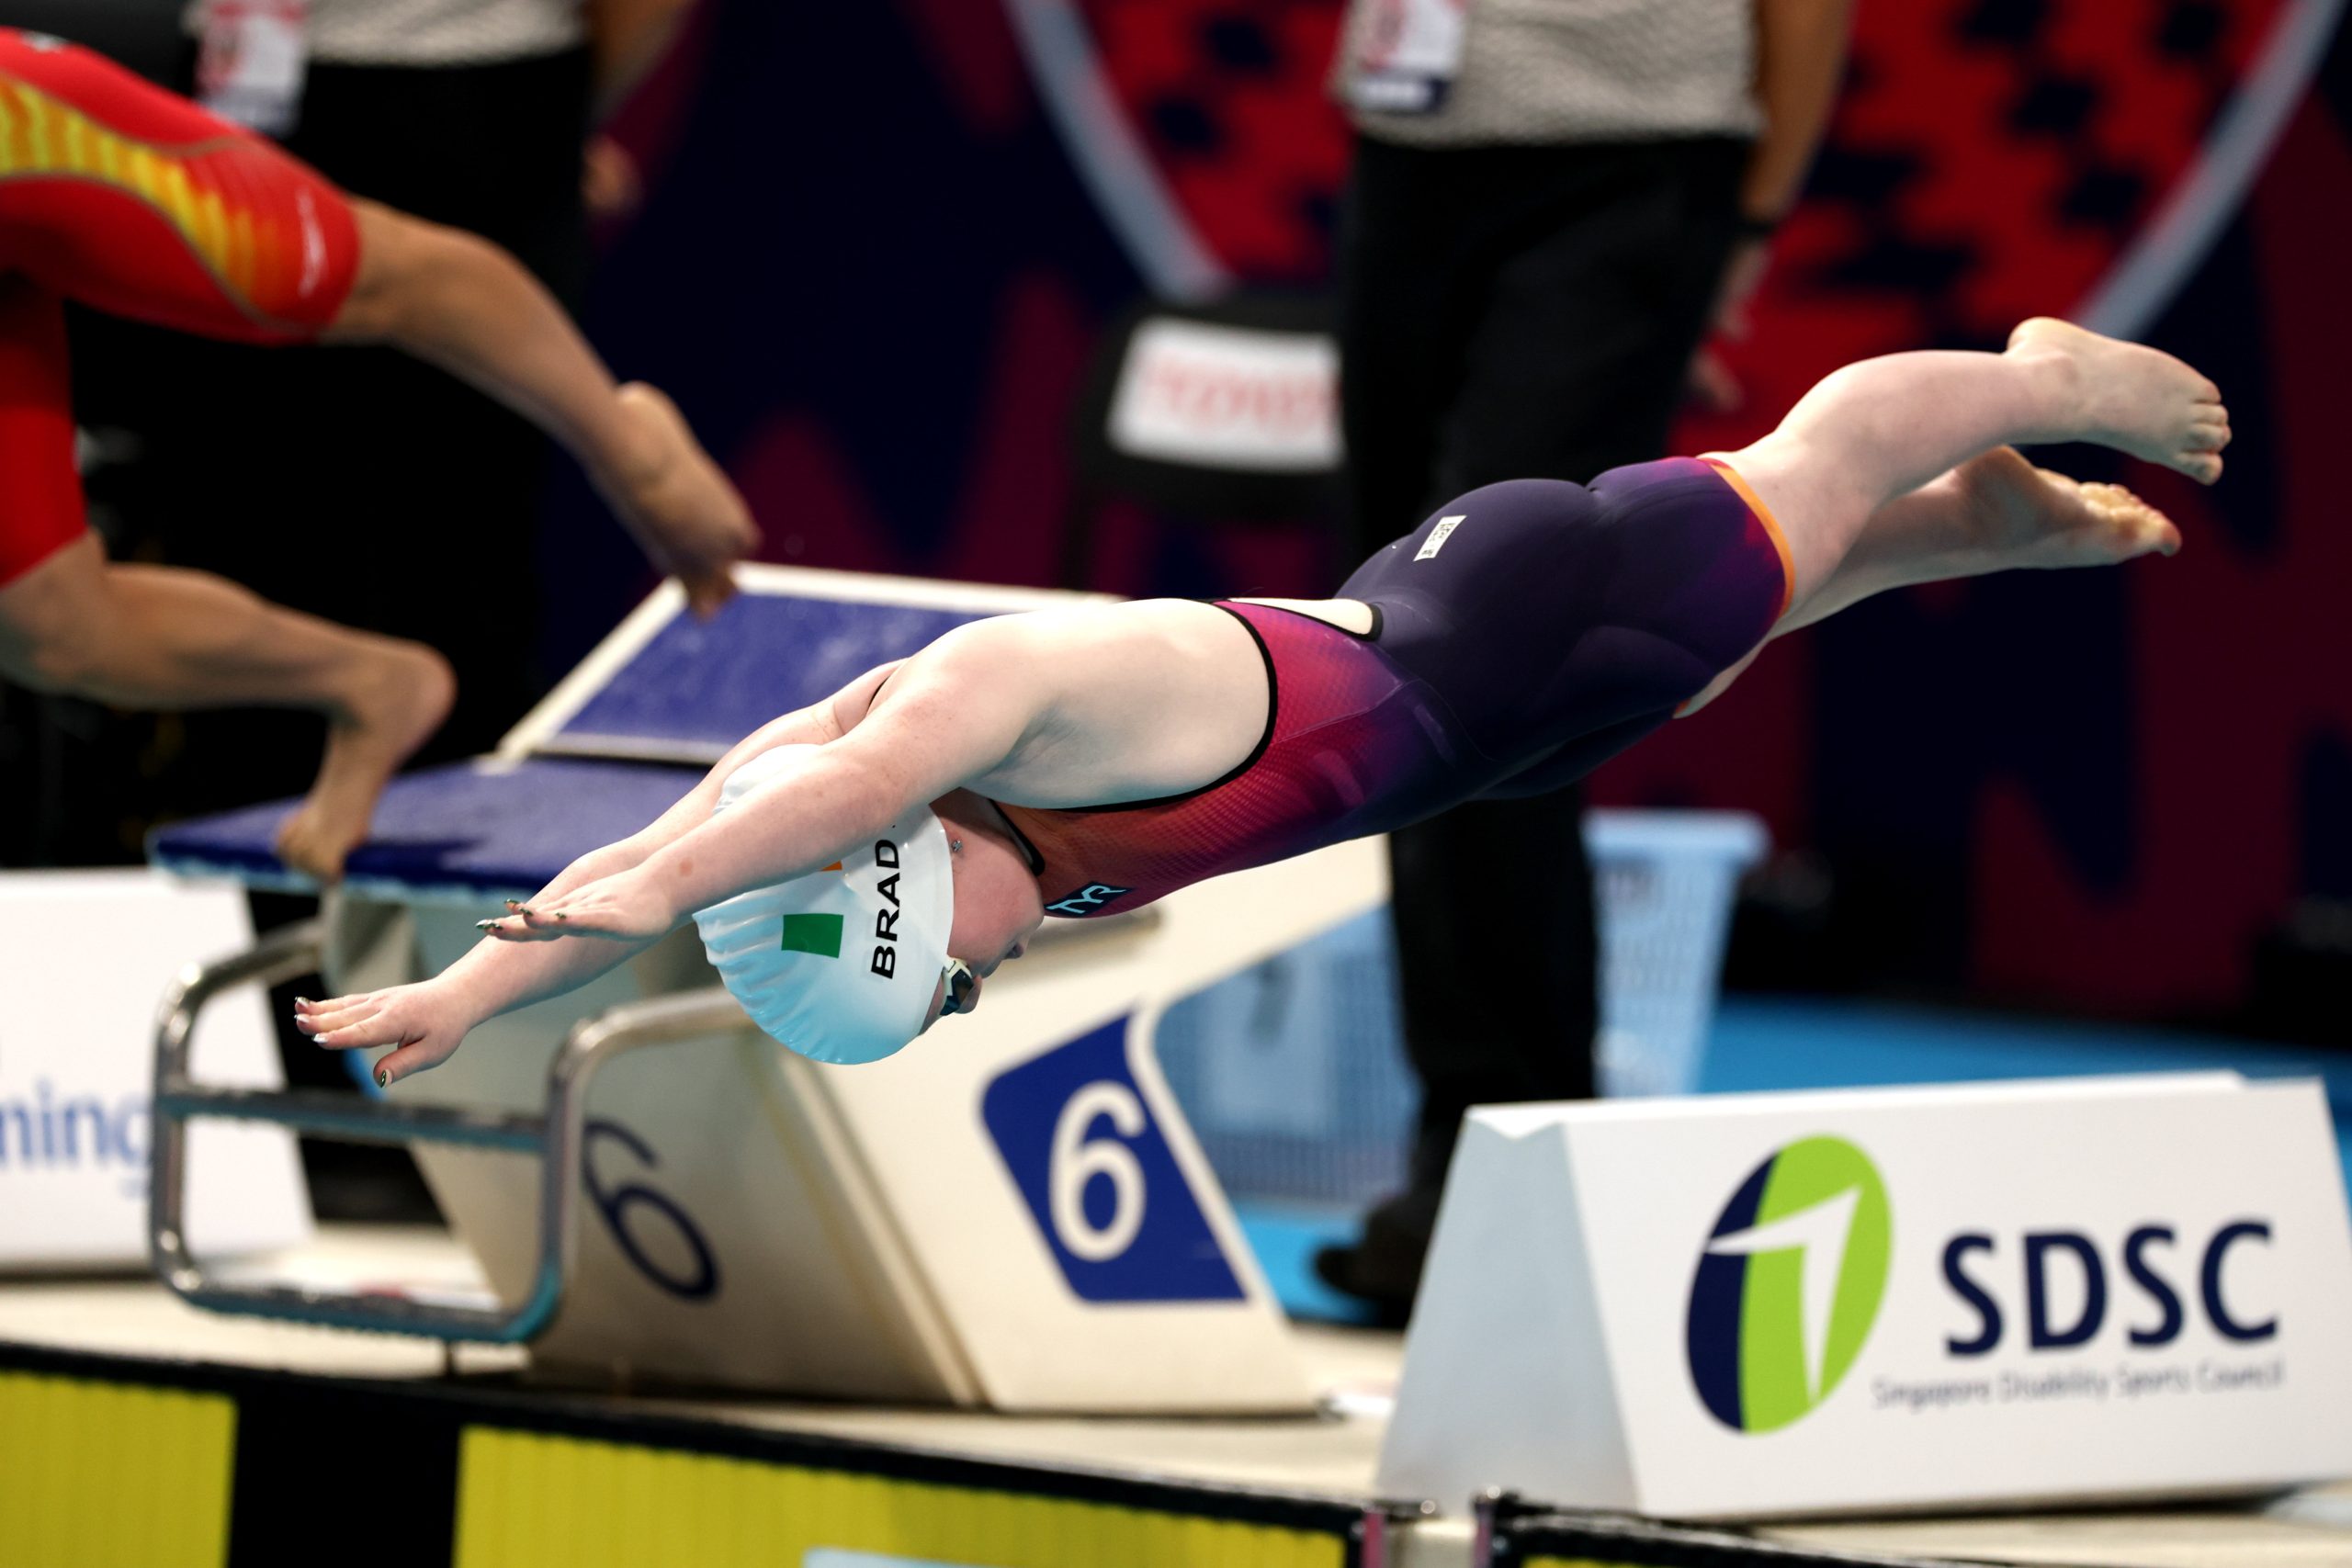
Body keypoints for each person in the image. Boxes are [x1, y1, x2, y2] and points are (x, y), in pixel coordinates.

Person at [298, 321, 2227, 1089]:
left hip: (1483, 610)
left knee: (1801, 477)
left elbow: (697, 865)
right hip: (1473, 740)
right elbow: (655, 858)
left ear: (884, 879)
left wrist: (636, 909)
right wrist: (474, 986)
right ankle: (1976, 523)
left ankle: (2023, 380)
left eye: (941, 974)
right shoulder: (863, 824)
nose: (984, 977)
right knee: (1734, 634)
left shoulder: (974, 712)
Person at [1328, 0, 1855, 1316]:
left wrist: (1744, 219)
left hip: (1631, 155)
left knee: (1489, 646)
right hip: (1409, 132)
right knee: (1388, 642)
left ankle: (1512, 1160)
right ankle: (1467, 1158)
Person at [0, 28, 754, 878]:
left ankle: (632, 441)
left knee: (381, 280)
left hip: (23, 138)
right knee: (48, 627)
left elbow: (413, 284)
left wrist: (626, 465)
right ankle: (369, 685)